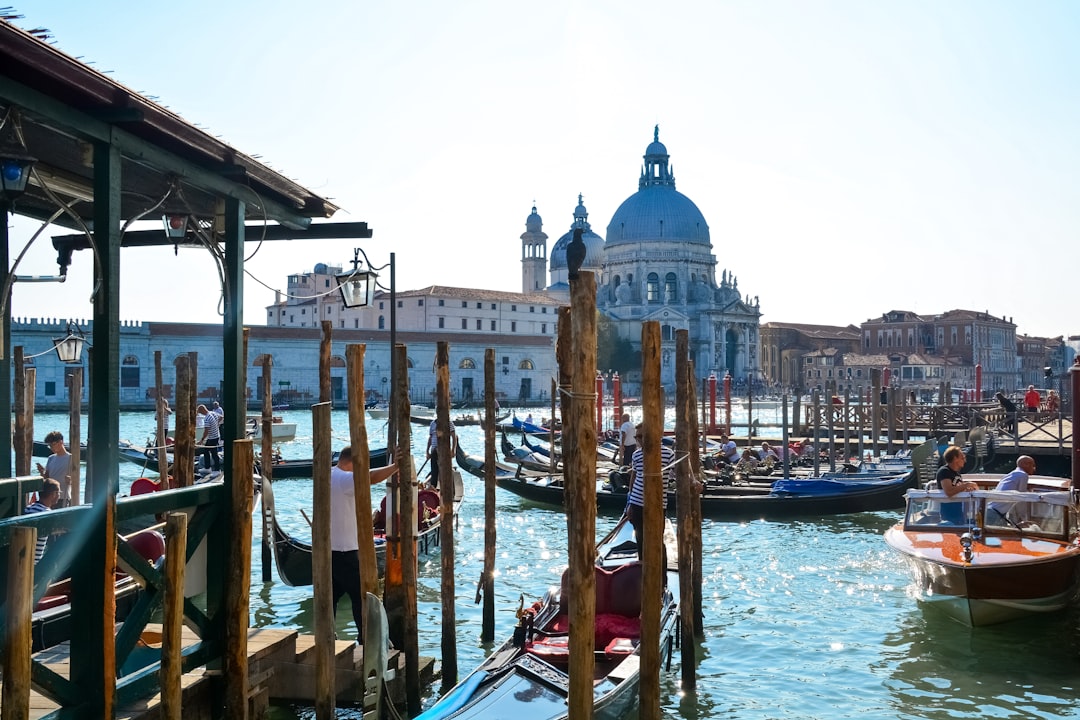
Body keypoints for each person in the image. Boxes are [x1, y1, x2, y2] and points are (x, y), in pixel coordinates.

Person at [329, 446, 400, 641]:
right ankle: (365, 640)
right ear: (353, 462)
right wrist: (395, 466)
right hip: (346, 551)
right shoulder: (344, 479)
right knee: (360, 597)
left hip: (330, 551)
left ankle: (328, 637)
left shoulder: (328, 475)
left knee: (331, 598)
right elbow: (370, 477)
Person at [624, 424, 674, 561]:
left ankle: (661, 579)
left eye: (640, 436)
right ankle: (642, 570)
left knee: (657, 540)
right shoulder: (636, 454)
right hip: (636, 502)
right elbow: (634, 477)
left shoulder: (668, 454)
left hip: (658, 504)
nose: (638, 439)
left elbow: (679, 474)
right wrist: (629, 503)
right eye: (636, 436)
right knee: (640, 539)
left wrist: (693, 482)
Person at [935, 445, 977, 524]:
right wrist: (966, 485)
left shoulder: (957, 474)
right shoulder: (944, 471)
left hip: (959, 514)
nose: (965, 460)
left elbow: (958, 489)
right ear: (955, 458)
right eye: (962, 458)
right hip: (948, 516)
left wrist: (966, 490)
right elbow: (949, 492)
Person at [988, 455, 1035, 524]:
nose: (1034, 468)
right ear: (1025, 464)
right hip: (995, 514)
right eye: (1032, 465)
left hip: (992, 510)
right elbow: (1021, 497)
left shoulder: (1010, 474)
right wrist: (1023, 518)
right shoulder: (1023, 475)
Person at [24, 478, 61, 563]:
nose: (59, 496)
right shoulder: (47, 513)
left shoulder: (28, 508)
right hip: (36, 563)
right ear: (54, 494)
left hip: (25, 559)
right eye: (59, 493)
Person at [36, 430, 72, 507]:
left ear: (61, 442)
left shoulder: (71, 458)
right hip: (49, 498)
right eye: (50, 445)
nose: (51, 448)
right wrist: (42, 472)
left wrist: (71, 480)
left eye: (53, 444)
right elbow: (47, 479)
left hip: (63, 497)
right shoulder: (51, 458)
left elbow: (75, 480)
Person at [425, 417, 457, 490]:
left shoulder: (449, 423)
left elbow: (454, 437)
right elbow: (430, 438)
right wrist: (427, 451)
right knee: (434, 471)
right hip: (434, 451)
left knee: (445, 471)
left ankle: (447, 489)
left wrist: (453, 450)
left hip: (444, 451)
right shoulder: (432, 423)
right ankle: (433, 488)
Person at [196, 404, 222, 473]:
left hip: (212, 438)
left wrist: (201, 440)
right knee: (206, 451)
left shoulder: (207, 418)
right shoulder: (213, 413)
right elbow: (221, 417)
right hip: (216, 435)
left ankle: (217, 470)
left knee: (214, 453)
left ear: (202, 411)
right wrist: (216, 424)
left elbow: (206, 430)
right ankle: (207, 467)